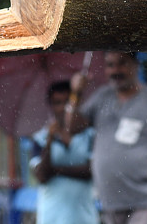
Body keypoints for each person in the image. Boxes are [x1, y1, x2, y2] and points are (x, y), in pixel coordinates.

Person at [69, 52, 147, 224]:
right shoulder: (102, 97)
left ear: (135, 65)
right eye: (110, 65)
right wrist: (76, 93)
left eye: (122, 63)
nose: (115, 70)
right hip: (111, 203)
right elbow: (72, 127)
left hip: (145, 202)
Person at [30, 80, 98, 224]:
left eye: (67, 102)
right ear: (51, 106)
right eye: (57, 103)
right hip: (52, 216)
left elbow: (91, 171)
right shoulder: (41, 138)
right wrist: (50, 140)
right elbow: (42, 176)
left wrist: (56, 170)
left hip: (84, 217)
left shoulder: (89, 134)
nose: (62, 108)